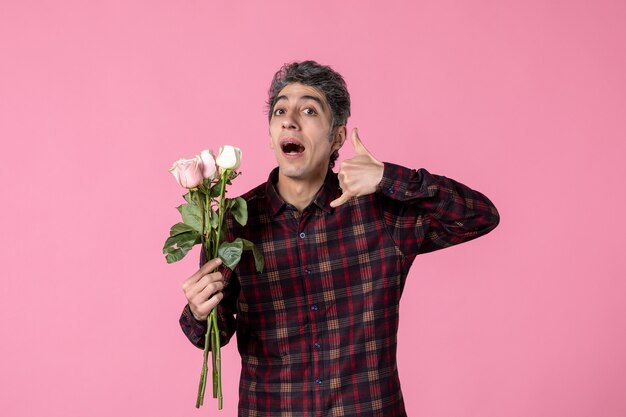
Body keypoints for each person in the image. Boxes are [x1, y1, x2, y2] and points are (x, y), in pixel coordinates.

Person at [179, 60, 500, 417]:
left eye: (309, 110)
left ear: (337, 138)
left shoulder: (380, 212)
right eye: (280, 110)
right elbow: (211, 334)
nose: (289, 119)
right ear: (271, 135)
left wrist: (390, 178)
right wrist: (198, 309)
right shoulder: (235, 221)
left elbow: (480, 216)